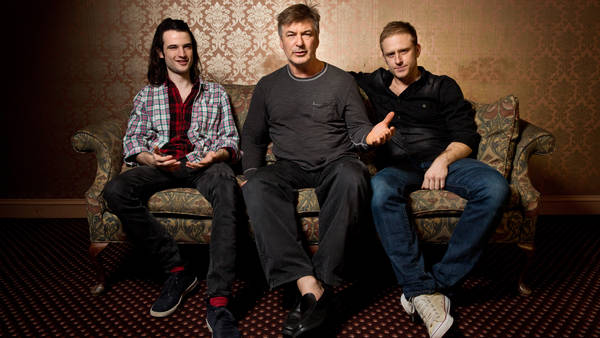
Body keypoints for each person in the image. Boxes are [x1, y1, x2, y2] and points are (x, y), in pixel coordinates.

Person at [241, 3, 395, 337]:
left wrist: (370, 136)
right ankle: (309, 284)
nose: (298, 42)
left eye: (306, 34)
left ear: (317, 37)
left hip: (336, 162)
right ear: (281, 41)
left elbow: (357, 131)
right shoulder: (268, 86)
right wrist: (251, 172)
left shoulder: (340, 81)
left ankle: (321, 282)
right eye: (291, 35)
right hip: (289, 166)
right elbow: (252, 137)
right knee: (255, 186)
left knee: (354, 176)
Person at [351, 21, 509, 338]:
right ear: (383, 57)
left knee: (495, 188)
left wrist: (442, 160)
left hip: (444, 161)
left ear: (418, 50)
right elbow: (326, 75)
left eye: (404, 51)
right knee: (379, 189)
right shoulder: (373, 83)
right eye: (390, 54)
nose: (398, 60)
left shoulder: (442, 86)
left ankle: (432, 285)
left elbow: (466, 136)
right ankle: (421, 288)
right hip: (397, 168)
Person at [102, 18, 242, 337]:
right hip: (160, 164)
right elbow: (132, 140)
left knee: (226, 185)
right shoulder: (146, 96)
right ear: (160, 53)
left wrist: (217, 156)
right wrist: (150, 158)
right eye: (173, 47)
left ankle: (219, 300)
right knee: (116, 190)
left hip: (204, 165)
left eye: (187, 46)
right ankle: (177, 269)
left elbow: (231, 140)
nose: (182, 53)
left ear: (194, 50)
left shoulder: (216, 93)